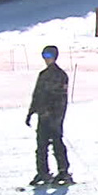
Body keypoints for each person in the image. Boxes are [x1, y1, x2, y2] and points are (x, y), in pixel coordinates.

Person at [26, 45, 72, 186]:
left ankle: (63, 171)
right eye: (44, 56)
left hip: (54, 117)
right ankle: (43, 172)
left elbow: (61, 99)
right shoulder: (43, 75)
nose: (46, 59)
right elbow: (37, 95)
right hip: (42, 117)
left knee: (57, 143)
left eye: (49, 56)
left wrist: (54, 116)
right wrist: (31, 112)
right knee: (41, 145)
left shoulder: (61, 76)